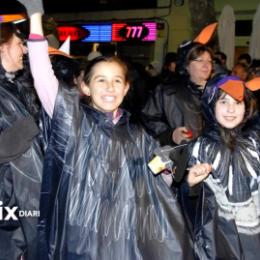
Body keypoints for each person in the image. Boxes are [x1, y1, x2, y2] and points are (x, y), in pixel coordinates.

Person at [18, 0, 194, 259]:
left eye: (116, 81)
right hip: (80, 239)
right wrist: (35, 19)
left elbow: (156, 179)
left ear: (125, 89)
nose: (109, 88)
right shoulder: (73, 119)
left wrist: (179, 171)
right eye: (101, 80)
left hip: (123, 238)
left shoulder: (139, 136)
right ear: (85, 88)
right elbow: (43, 75)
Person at [186, 75, 260, 259]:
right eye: (223, 101)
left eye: (238, 102)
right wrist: (190, 184)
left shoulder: (254, 143)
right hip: (218, 241)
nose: (231, 109)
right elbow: (187, 205)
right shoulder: (200, 148)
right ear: (211, 105)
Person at [0, 20, 43, 259]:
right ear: (2, 47)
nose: (24, 50)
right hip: (8, 203)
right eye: (19, 44)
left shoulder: (14, 86)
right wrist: (30, 127)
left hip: (22, 197)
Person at [141, 41, 214, 147]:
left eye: (210, 61)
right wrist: (170, 135)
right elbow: (148, 120)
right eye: (199, 60)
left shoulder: (216, 93)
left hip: (208, 155)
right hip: (177, 156)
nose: (206, 65)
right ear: (186, 65)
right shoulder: (168, 92)